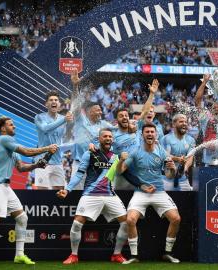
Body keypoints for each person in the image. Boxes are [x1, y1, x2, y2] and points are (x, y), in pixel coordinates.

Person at [0, 116, 58, 265]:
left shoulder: (12, 148)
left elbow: (21, 167)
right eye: (11, 125)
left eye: (13, 124)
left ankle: (19, 255)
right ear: (3, 128)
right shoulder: (4, 140)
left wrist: (36, 165)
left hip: (6, 188)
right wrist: (47, 148)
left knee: (22, 218)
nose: (14, 127)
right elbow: (27, 152)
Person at [56, 128, 128, 264]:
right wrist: (68, 189)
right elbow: (79, 174)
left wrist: (122, 161)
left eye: (110, 136)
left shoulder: (115, 156)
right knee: (77, 223)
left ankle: (117, 254)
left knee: (126, 222)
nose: (108, 138)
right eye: (105, 136)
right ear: (99, 139)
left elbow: (117, 173)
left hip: (110, 195)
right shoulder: (90, 153)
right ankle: (74, 255)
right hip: (90, 194)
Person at [117, 123, 181, 264]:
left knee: (176, 219)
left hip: (159, 192)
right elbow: (120, 171)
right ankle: (134, 256)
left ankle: (167, 253)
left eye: (152, 132)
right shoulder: (135, 151)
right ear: (143, 135)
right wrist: (121, 160)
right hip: (141, 192)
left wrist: (172, 169)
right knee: (130, 220)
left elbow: (170, 176)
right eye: (147, 132)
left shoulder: (161, 151)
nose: (150, 134)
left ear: (156, 134)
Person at [70, 72, 114, 189]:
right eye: (97, 110)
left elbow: (119, 128)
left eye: (100, 110)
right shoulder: (81, 119)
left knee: (95, 194)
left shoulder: (104, 124)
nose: (100, 112)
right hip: (79, 163)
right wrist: (75, 86)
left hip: (96, 165)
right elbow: (76, 104)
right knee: (76, 193)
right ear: (89, 111)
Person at [34, 91, 73, 189]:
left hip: (57, 162)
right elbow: (45, 129)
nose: (53, 102)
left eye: (56, 100)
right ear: (46, 104)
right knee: (42, 193)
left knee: (60, 193)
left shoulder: (64, 119)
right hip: (42, 161)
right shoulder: (39, 117)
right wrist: (64, 120)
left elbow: (62, 138)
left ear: (59, 104)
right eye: (51, 100)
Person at [160, 114, 196, 191]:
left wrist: (184, 168)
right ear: (173, 124)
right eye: (181, 121)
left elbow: (190, 158)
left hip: (183, 179)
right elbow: (165, 155)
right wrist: (177, 159)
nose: (184, 124)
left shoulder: (191, 140)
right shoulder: (165, 139)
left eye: (186, 122)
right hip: (167, 179)